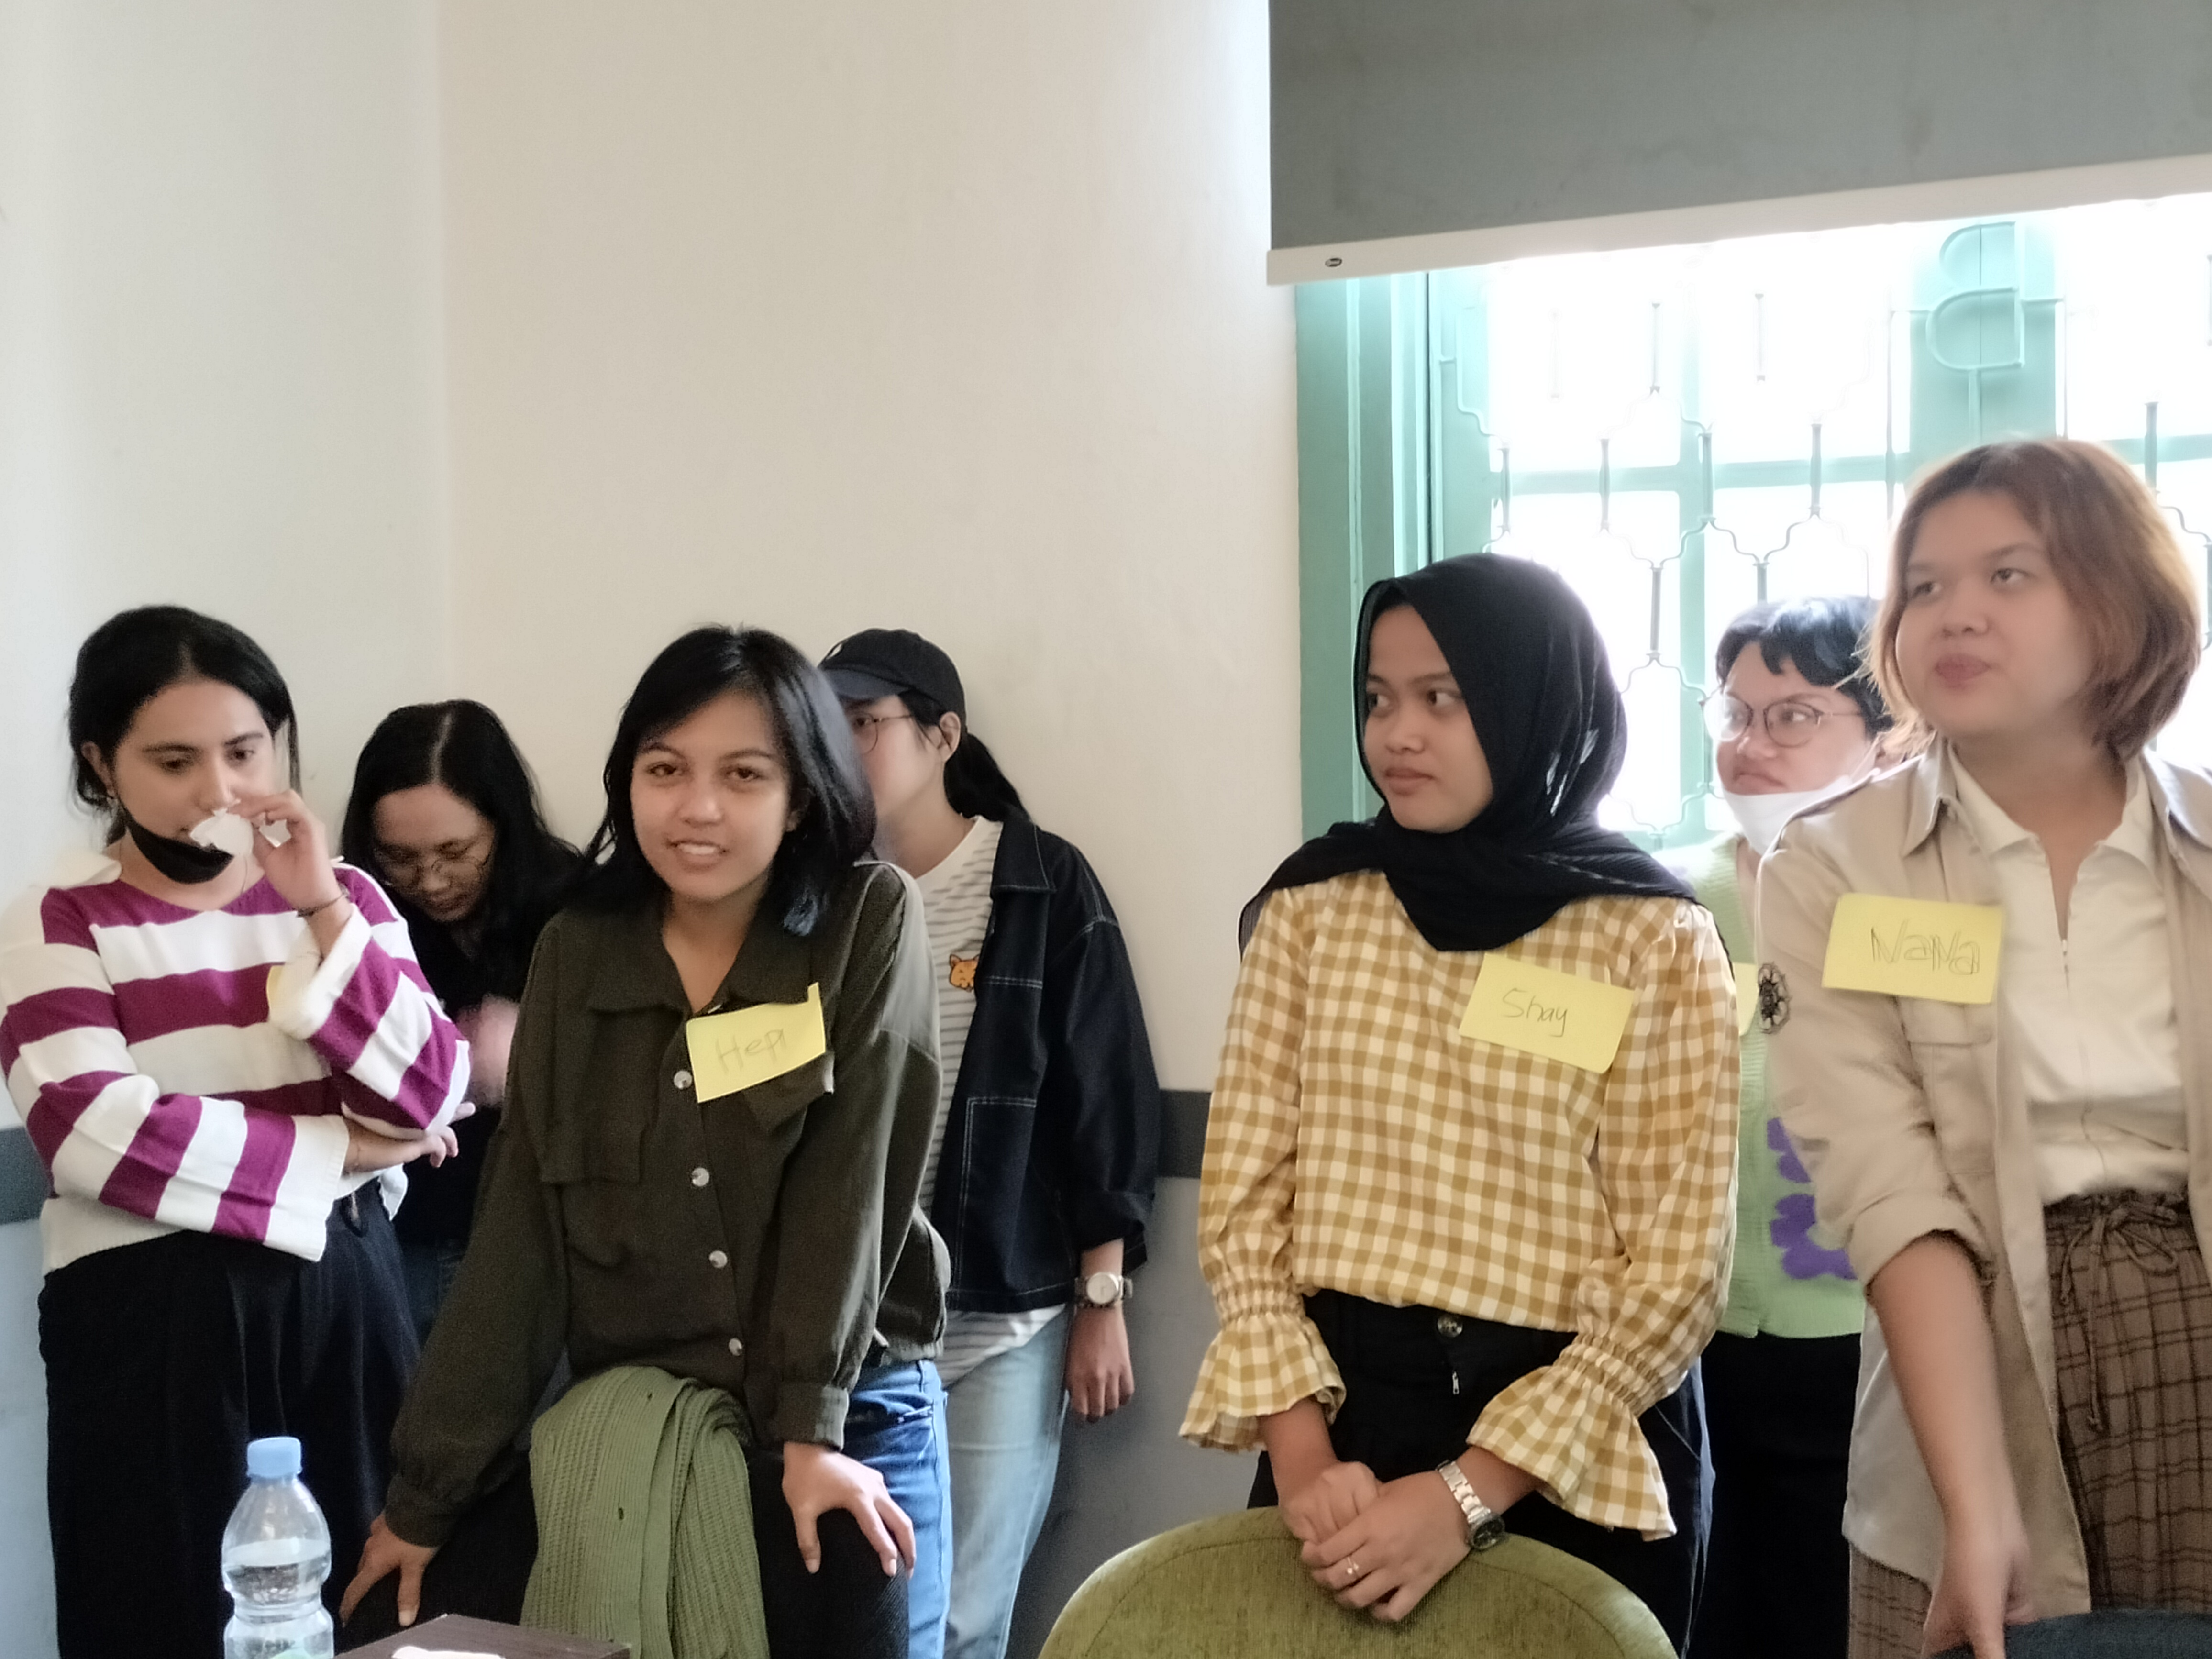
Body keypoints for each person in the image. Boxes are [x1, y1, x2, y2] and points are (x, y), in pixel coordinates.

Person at [342, 624, 951, 1659]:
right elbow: (521, 1238)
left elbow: (848, 1190)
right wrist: (423, 1495)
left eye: (743, 775)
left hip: (850, 1408)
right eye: (665, 770)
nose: (697, 807)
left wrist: (808, 1427)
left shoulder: (865, 919)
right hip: (644, 1431)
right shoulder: (577, 952)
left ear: (800, 796)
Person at [1183, 554, 1739, 1651]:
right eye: (1377, 698)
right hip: (1343, 1422)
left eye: (1442, 697)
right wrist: (1302, 1458)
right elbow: (1245, 1204)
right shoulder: (1313, 910)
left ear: (1532, 701)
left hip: (1569, 1441)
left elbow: (1674, 1267)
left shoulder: (1650, 936)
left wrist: (1465, 1495)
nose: (1397, 734)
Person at [1760, 439, 2212, 1659]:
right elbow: (1890, 1194)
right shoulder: (1832, 866)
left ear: (2118, 602)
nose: (1952, 613)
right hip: (1962, 1362)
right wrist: (1975, 1500)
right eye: (1922, 586)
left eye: (2007, 576)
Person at [0, 606, 469, 1659]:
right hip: (150, 1313)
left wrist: (319, 910)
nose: (217, 791)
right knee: (161, 1605)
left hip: (349, 1297)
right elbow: (93, 1132)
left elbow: (430, 1092)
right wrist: (348, 1151)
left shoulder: (342, 897)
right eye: (174, 762)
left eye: (245, 752)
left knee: (375, 1604)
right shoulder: (59, 915)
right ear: (102, 764)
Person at [820, 628, 1162, 1659]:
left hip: (1003, 1313)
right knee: (870, 1611)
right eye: (825, 726)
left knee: (967, 1614)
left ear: (943, 736)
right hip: (853, 1317)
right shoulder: (819, 895)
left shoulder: (1039, 882)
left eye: (866, 724)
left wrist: (1102, 1299)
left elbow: (1105, 1094)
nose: (841, 748)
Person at [1677, 597, 1890, 1659]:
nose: (1750, 745)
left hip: (1873, 1339)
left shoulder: (1923, 904)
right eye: (1735, 713)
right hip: (1693, 1339)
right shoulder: (1667, 899)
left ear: (1888, 735)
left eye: (1793, 715)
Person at [341, 700, 582, 1337]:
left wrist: (536, 1050)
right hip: (401, 1232)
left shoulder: (579, 911)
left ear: (503, 824)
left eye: (456, 851)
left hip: (547, 1247)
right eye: (398, 856)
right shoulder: (351, 917)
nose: (430, 880)